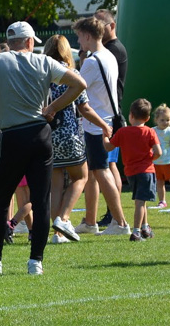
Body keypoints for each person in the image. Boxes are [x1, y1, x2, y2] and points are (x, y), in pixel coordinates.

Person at [0, 21, 87, 275]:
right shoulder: (45, 62)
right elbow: (79, 84)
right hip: (40, 135)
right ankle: (36, 262)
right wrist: (53, 107)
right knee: (41, 201)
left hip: (12, 136)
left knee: (1, 199)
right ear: (31, 42)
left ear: (9, 42)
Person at [43, 34, 110, 244]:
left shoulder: (43, 75)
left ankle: (57, 234)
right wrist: (104, 125)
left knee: (55, 184)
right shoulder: (71, 74)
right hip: (69, 135)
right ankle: (63, 219)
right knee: (81, 177)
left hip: (47, 135)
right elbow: (85, 108)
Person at [72, 17, 131, 236]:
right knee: (96, 172)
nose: (78, 41)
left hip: (96, 124)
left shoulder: (92, 61)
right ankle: (90, 221)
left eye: (79, 36)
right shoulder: (108, 55)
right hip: (108, 121)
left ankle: (121, 222)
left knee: (101, 170)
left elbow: (76, 87)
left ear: (87, 36)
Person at [105, 99, 162, 242]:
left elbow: (108, 147)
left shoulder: (122, 132)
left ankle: (145, 227)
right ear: (148, 118)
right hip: (146, 171)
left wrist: (104, 135)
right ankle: (136, 231)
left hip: (130, 172)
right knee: (141, 202)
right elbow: (158, 152)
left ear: (130, 115)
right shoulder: (149, 132)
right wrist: (151, 158)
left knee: (142, 200)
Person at [91, 9, 127, 227]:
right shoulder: (110, 50)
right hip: (109, 115)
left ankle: (115, 214)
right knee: (108, 166)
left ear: (111, 26)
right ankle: (113, 213)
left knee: (108, 166)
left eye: (99, 26)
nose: (95, 31)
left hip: (108, 116)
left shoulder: (113, 51)